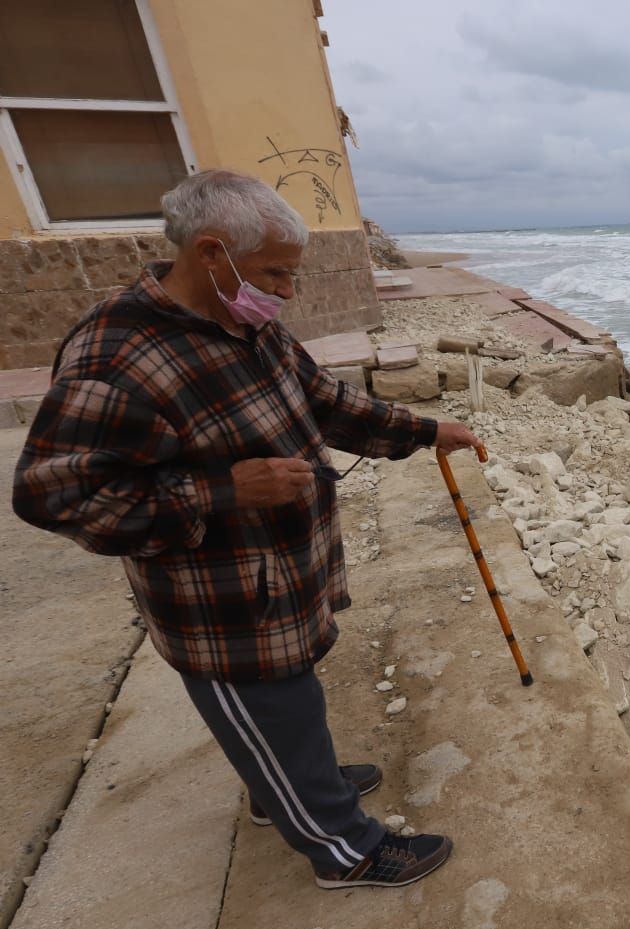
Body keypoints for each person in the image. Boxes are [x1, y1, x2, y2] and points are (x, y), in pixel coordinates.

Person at [12, 170, 481, 889]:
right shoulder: (115, 356)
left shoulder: (246, 319)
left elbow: (325, 401)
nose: (286, 292)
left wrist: (426, 431)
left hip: (283, 577)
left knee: (291, 703)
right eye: (276, 273)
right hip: (221, 604)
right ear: (210, 252)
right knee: (274, 699)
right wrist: (220, 489)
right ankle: (343, 850)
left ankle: (287, 784)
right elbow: (55, 495)